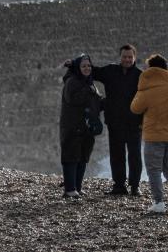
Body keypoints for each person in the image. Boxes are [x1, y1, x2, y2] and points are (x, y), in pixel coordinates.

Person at [130, 53, 168, 214]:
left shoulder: (147, 90)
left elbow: (135, 108)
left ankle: (158, 203)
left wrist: (140, 88)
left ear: (150, 69)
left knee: (154, 170)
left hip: (153, 137)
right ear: (166, 68)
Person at [91, 44, 144, 196]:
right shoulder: (110, 71)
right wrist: (74, 65)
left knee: (135, 156)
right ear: (120, 57)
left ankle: (135, 186)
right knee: (117, 155)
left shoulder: (140, 76)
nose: (127, 59)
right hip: (115, 122)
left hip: (134, 123)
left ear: (134, 58)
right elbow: (91, 72)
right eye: (124, 57)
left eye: (130, 57)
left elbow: (148, 98)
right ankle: (119, 186)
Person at [59, 54, 103, 198]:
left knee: (83, 157)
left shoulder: (89, 83)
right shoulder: (72, 82)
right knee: (71, 157)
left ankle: (78, 187)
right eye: (83, 66)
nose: (87, 68)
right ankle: (70, 189)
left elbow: (95, 102)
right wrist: (89, 92)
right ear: (78, 68)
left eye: (89, 66)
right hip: (73, 126)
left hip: (86, 127)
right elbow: (72, 99)